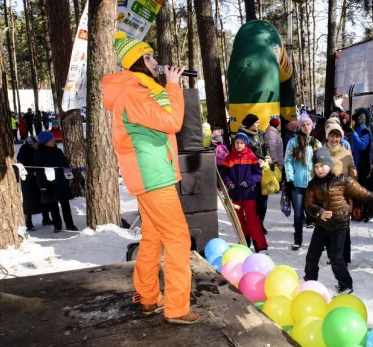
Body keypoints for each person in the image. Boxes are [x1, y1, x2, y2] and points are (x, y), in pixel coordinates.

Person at [102, 31, 199, 324]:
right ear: (138, 63)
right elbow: (172, 121)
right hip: (152, 176)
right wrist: (173, 85)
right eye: (150, 57)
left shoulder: (141, 91)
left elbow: (164, 120)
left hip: (151, 175)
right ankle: (177, 308)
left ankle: (148, 298)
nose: (156, 61)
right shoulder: (134, 93)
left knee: (154, 237)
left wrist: (168, 87)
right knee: (178, 239)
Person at [304, 147, 373, 293]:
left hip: (339, 225)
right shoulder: (313, 184)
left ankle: (346, 283)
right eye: (316, 166)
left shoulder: (342, 180)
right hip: (321, 225)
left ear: (330, 165)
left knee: (336, 258)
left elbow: (361, 192)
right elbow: (308, 204)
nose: (319, 169)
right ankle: (309, 281)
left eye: (322, 165)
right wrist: (319, 212)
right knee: (312, 256)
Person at [221, 133, 268, 253]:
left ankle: (260, 245)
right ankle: (244, 243)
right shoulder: (229, 157)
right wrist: (228, 182)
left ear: (246, 144)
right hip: (235, 195)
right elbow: (224, 174)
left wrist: (249, 182)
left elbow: (258, 174)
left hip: (249, 194)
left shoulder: (251, 157)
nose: (239, 145)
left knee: (252, 220)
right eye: (237, 143)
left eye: (241, 143)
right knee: (239, 220)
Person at [284, 113, 321, 250]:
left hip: (313, 184)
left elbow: (321, 163)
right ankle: (297, 240)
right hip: (297, 185)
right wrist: (290, 179)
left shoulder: (316, 143)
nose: (306, 127)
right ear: (299, 127)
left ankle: (320, 241)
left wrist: (320, 178)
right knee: (299, 214)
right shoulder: (293, 142)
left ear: (312, 126)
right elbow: (287, 162)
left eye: (308, 124)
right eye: (303, 125)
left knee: (317, 213)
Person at [324, 121, 356, 264]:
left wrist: (354, 174)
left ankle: (345, 257)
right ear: (327, 136)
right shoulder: (321, 152)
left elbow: (352, 175)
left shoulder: (346, 154)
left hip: (343, 197)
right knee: (329, 228)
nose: (334, 139)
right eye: (332, 135)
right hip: (325, 197)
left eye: (337, 136)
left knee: (343, 229)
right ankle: (332, 256)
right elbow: (314, 173)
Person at [34, 131, 77, 233]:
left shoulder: (58, 151)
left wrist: (68, 175)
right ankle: (57, 226)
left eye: (53, 138)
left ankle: (70, 225)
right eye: (51, 139)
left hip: (61, 181)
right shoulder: (39, 154)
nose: (54, 140)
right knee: (53, 206)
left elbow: (65, 164)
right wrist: (42, 185)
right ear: (45, 142)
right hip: (49, 183)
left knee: (65, 205)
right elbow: (38, 171)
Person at [237, 114, 272, 235]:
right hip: (250, 172)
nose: (258, 124)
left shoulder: (261, 133)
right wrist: (256, 160)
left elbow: (266, 146)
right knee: (253, 200)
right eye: (256, 122)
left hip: (263, 171)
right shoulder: (242, 136)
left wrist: (267, 157)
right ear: (250, 124)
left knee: (263, 200)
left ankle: (260, 223)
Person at [17, 136, 53, 231]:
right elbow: (21, 167)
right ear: (32, 144)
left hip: (40, 178)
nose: (38, 145)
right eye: (36, 143)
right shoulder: (23, 153)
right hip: (28, 180)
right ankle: (28, 223)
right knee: (29, 201)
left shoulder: (39, 150)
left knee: (43, 197)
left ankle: (46, 218)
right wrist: (32, 172)